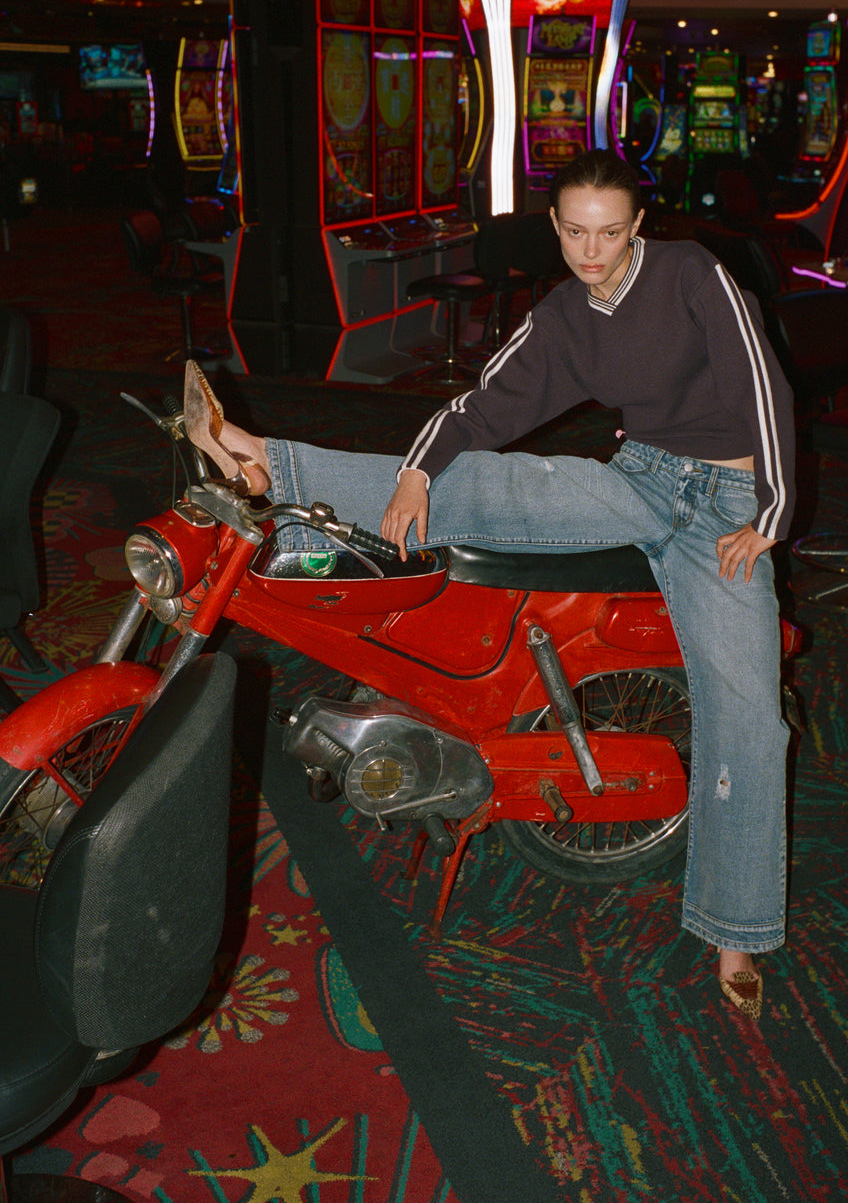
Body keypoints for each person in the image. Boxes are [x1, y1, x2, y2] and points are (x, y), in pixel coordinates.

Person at [183, 149, 796, 1020]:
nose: (592, 252)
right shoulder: (565, 315)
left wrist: (771, 509)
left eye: (610, 233)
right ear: (555, 227)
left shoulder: (691, 273)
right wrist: (418, 473)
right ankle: (262, 460)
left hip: (729, 503)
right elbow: (484, 405)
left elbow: (761, 381)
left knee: (751, 720)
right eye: (575, 233)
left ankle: (736, 929)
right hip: (643, 478)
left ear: (638, 226)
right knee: (500, 479)